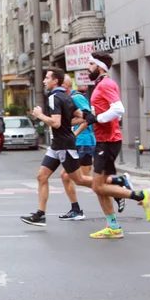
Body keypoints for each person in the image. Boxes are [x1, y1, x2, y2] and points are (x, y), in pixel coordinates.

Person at [83, 51, 150, 239]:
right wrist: (93, 117)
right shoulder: (102, 84)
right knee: (99, 186)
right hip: (105, 140)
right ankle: (113, 227)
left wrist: (97, 118)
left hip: (107, 142)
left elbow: (119, 109)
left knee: (97, 187)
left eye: (90, 64)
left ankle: (141, 196)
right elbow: (114, 113)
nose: (87, 67)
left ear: (99, 67)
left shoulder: (106, 84)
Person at [20, 68, 95, 226]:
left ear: (55, 81)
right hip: (57, 145)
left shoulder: (55, 97)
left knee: (79, 179)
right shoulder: (66, 96)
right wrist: (67, 124)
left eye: (47, 78)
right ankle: (40, 214)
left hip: (64, 145)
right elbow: (81, 117)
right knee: (42, 176)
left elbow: (56, 122)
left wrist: (39, 115)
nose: (44, 81)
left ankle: (114, 185)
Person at [57, 76, 98, 220]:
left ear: (64, 86)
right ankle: (76, 209)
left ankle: (118, 188)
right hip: (80, 143)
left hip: (83, 142)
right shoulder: (69, 98)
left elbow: (89, 118)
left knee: (80, 179)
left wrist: (74, 133)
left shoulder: (76, 98)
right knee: (71, 177)